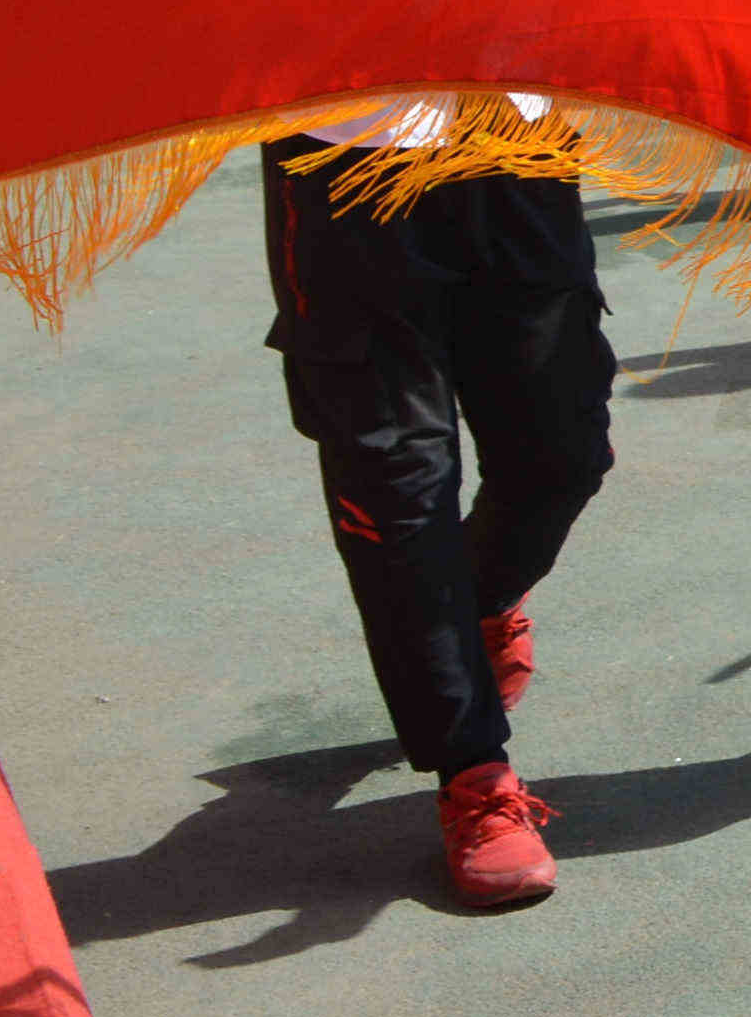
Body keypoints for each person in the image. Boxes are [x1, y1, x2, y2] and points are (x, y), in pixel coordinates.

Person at [258, 101, 619, 908]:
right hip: (345, 158)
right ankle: (475, 776)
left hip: (514, 143)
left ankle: (481, 602)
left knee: (562, 454)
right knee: (397, 496)